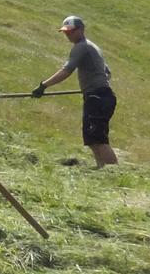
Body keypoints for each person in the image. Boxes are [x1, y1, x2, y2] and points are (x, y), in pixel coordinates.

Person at [33, 15, 118, 168]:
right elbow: (107, 73)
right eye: (65, 32)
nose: (68, 35)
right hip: (98, 95)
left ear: (81, 30)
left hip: (97, 97)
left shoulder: (81, 47)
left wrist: (43, 86)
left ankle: (113, 172)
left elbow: (66, 71)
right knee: (92, 138)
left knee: (98, 138)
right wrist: (90, 85)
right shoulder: (92, 46)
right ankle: (102, 169)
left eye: (71, 32)